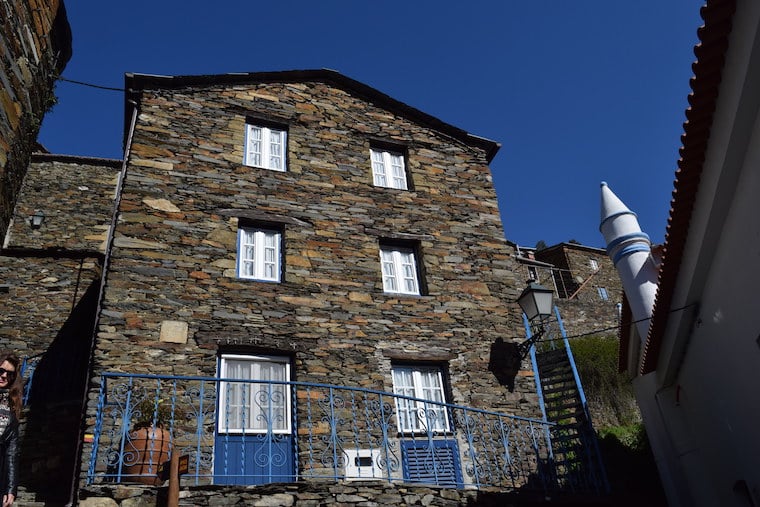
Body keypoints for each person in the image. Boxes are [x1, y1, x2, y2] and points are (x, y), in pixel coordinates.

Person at [0, 351, 20, 507]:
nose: (4, 376)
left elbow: (11, 451)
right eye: (1, 371)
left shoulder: (11, 408)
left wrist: (11, 489)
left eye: (10, 374)